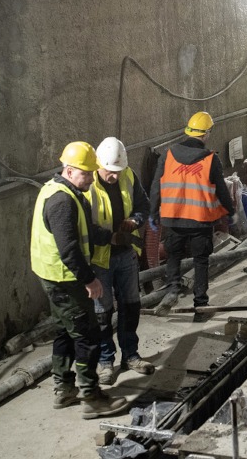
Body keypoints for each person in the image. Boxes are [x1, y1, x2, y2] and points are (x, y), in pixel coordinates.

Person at [29, 141, 128, 419]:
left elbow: (84, 229)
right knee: (87, 336)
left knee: (64, 331)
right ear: (69, 170)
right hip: (66, 280)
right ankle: (91, 398)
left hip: (53, 276)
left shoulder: (62, 190)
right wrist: (89, 280)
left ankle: (63, 389)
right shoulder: (62, 201)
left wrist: (108, 237)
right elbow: (70, 249)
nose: (90, 178)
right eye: (85, 173)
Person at [151, 112, 235, 320]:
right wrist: (230, 212)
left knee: (174, 255)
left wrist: (153, 213)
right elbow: (222, 190)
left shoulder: (168, 154)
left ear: (188, 131)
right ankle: (200, 306)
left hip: (173, 217)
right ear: (206, 134)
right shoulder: (209, 159)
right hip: (200, 219)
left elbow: (156, 186)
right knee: (200, 261)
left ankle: (172, 290)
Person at [86, 137, 153, 386]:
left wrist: (135, 221)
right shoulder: (87, 184)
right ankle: (105, 361)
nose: (114, 176)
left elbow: (143, 206)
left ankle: (131, 355)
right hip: (100, 258)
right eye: (109, 172)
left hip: (126, 254)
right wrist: (109, 237)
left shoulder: (128, 176)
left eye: (118, 171)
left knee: (130, 306)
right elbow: (85, 225)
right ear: (99, 165)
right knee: (102, 313)